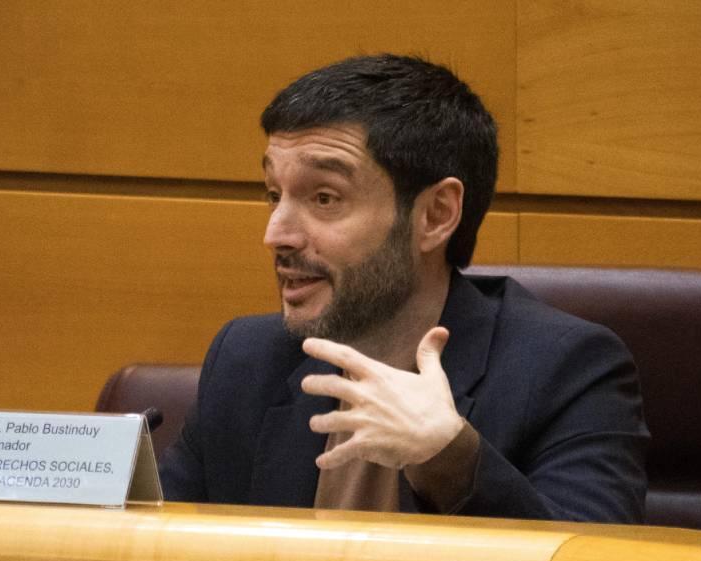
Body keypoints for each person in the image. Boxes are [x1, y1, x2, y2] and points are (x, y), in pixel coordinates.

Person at [159, 54, 648, 522]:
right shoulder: (247, 361)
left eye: (324, 197)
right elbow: (155, 555)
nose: (276, 235)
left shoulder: (567, 371)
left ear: (435, 216)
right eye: (274, 195)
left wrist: (448, 457)